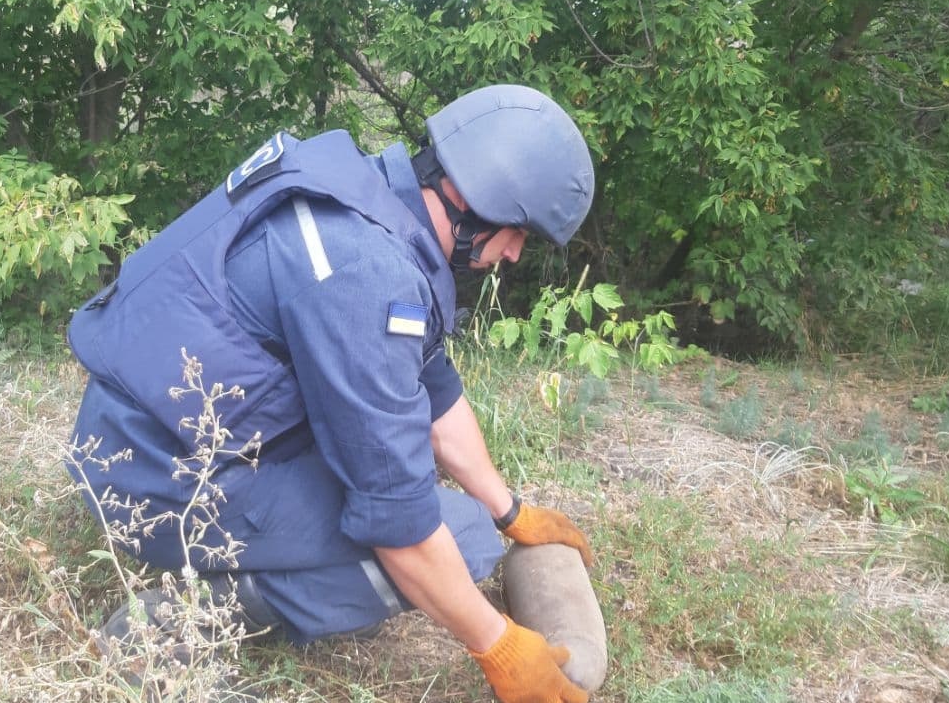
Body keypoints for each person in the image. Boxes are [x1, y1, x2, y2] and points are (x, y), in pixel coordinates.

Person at [68, 84, 597, 703]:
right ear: (471, 199)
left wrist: (511, 509)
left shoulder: (367, 200)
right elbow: (395, 517)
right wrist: (498, 644)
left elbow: (430, 385)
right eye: (517, 232)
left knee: (475, 519)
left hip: (149, 436)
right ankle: (182, 622)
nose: (511, 254)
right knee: (462, 539)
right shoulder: (362, 270)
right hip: (154, 482)